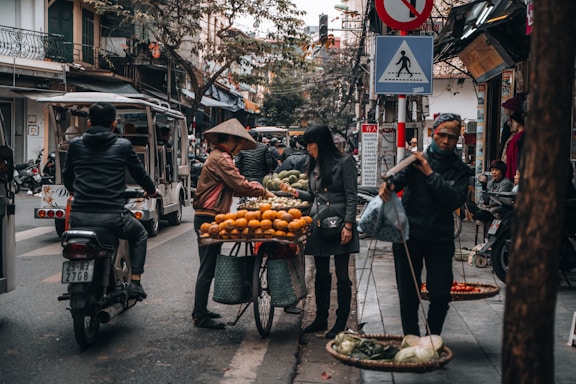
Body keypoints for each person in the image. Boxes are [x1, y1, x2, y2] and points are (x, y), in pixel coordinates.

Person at [378, 113, 471, 336]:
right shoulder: (414, 161)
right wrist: (388, 185)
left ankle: (433, 338)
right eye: (442, 135)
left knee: (440, 294)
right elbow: (395, 179)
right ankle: (411, 338)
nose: (447, 141)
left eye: (452, 137)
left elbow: (454, 200)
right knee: (408, 294)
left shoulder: (459, 169)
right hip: (409, 237)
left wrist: (430, 174)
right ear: (434, 133)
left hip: (440, 238)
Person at [62, 102, 158, 300]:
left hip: (79, 217)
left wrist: (75, 189)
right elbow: (140, 174)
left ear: (89, 123)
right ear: (113, 124)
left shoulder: (76, 145)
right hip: (113, 218)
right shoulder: (123, 146)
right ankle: (135, 282)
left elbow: (68, 177)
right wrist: (151, 190)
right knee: (140, 233)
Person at [192, 118, 276, 329]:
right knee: (207, 267)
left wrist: (255, 187)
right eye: (238, 143)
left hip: (212, 216)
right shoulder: (221, 158)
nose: (240, 148)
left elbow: (234, 187)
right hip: (208, 217)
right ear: (232, 139)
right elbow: (238, 183)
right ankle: (200, 315)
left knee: (209, 265)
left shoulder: (219, 157)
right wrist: (262, 191)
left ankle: (200, 310)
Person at [282, 124, 359, 339]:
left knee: (343, 275)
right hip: (318, 224)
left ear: (322, 143)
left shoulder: (345, 161)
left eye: (311, 144)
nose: (308, 148)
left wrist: (349, 225)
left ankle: (340, 322)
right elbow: (314, 196)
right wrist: (295, 192)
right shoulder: (314, 163)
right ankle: (321, 317)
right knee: (321, 272)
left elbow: (351, 196)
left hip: (341, 223)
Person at [466, 160, 514, 235]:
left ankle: (477, 214)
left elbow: (499, 198)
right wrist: (484, 187)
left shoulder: (506, 183)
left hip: (499, 210)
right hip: (489, 208)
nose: (494, 172)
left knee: (480, 214)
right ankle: (477, 214)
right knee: (468, 203)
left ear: (502, 171)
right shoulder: (491, 182)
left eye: (496, 170)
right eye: (492, 170)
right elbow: (486, 200)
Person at [504, 112, 525, 180]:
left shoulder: (522, 136)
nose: (512, 124)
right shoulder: (515, 136)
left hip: (517, 169)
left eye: (513, 121)